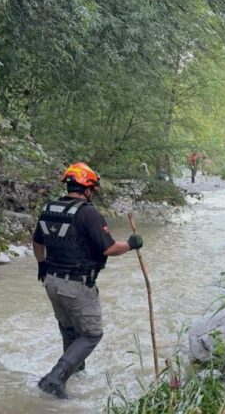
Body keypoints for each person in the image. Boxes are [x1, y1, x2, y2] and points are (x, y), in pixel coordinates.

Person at [32, 162, 144, 399]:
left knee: (70, 331)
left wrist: (42, 264)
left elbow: (37, 242)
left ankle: (75, 376)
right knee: (92, 334)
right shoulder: (88, 212)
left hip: (51, 282)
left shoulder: (49, 208)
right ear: (87, 188)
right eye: (92, 188)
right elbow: (109, 248)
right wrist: (131, 244)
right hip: (76, 284)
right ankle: (55, 378)